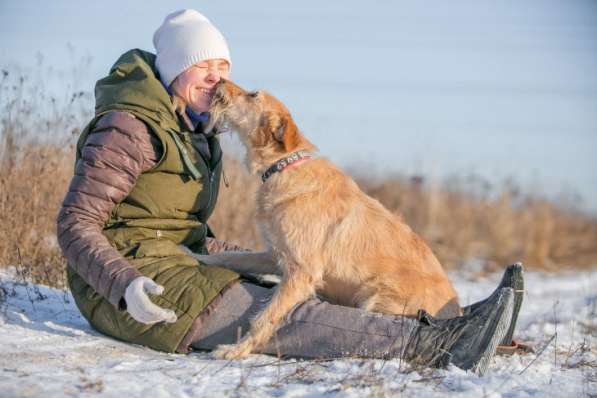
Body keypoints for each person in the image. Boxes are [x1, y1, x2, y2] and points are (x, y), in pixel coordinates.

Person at [57, 9, 522, 375]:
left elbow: (185, 233)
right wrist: (123, 286)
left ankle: (450, 319)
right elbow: (76, 224)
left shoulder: (194, 134)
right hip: (132, 288)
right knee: (286, 314)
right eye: (204, 64)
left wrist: (245, 255)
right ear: (175, 67)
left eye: (224, 66)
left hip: (171, 267)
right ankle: (439, 342)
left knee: (285, 288)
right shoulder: (129, 127)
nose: (218, 77)